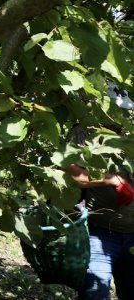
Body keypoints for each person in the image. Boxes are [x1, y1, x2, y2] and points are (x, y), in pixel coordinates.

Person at [63, 121, 134, 300]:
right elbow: (66, 165)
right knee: (95, 294)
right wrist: (109, 179)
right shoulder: (87, 128)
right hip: (99, 233)